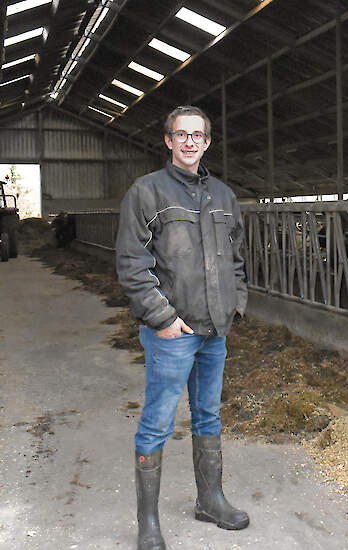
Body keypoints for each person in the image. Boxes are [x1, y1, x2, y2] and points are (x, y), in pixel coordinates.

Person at [116, 105, 248, 550]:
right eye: (181, 134)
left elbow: (237, 259)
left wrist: (235, 307)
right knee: (157, 423)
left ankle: (210, 500)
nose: (189, 141)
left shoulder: (224, 196)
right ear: (168, 140)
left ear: (207, 143)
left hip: (214, 331)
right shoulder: (147, 191)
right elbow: (132, 264)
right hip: (172, 332)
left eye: (198, 135)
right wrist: (163, 318)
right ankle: (148, 522)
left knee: (208, 414)